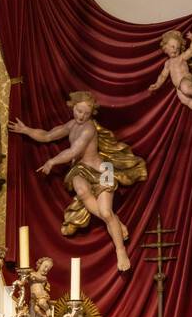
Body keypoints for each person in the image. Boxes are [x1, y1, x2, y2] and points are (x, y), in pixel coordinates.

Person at [9, 91, 146, 273]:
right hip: (81, 170)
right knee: (82, 191)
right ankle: (116, 222)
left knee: (105, 212)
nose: (81, 116)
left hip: (104, 169)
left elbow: (74, 152)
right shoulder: (71, 125)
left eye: (86, 114)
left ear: (91, 115)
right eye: (79, 111)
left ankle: (120, 250)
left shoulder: (88, 129)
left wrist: (52, 161)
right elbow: (49, 135)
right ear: (73, 107)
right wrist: (26, 130)